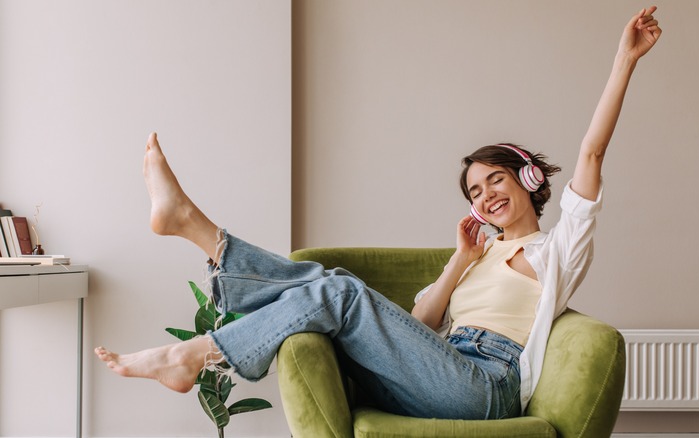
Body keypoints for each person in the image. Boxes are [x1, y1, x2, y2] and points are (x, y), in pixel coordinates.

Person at [96, 7, 661, 420]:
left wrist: (624, 60)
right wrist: (459, 262)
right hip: (437, 369)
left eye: (496, 179)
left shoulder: (556, 250)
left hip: (486, 388)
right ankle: (197, 239)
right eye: (474, 190)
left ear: (528, 181)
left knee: (340, 291)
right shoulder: (479, 252)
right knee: (336, 287)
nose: (485, 195)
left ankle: (194, 324)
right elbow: (417, 330)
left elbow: (590, 153)